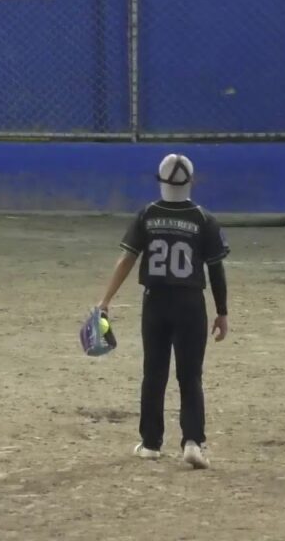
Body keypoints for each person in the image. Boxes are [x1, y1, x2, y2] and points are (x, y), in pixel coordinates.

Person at [96, 154, 231, 468]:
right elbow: (216, 271)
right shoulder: (203, 219)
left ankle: (151, 443)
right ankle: (193, 442)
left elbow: (127, 260)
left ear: (160, 180)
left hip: (155, 302)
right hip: (190, 303)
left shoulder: (147, 215)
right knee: (190, 375)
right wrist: (222, 311)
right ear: (191, 182)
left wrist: (105, 300)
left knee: (153, 374)